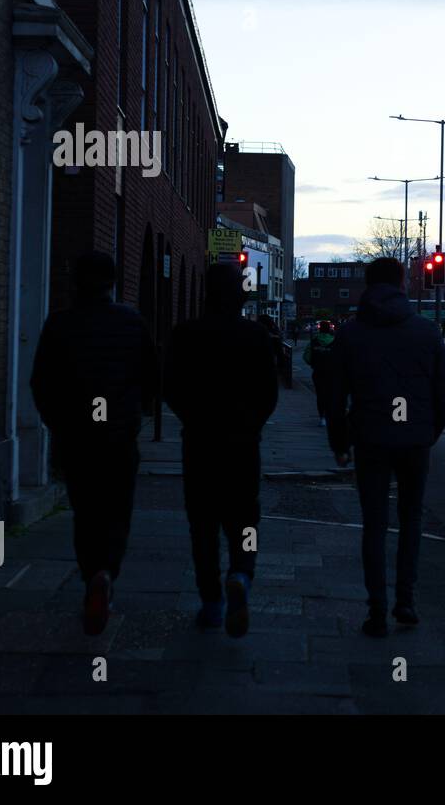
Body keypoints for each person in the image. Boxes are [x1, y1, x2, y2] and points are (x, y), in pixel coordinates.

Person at [322, 258, 445, 637]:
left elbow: (334, 394)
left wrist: (339, 441)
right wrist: (428, 432)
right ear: (402, 284)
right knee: (411, 520)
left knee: (374, 525)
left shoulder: (350, 334)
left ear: (367, 286)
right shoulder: (427, 333)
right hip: (414, 442)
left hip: (371, 439)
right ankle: (406, 601)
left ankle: (376, 610)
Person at [31, 251, 157, 635]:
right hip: (119, 438)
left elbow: (42, 383)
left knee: (85, 513)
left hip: (78, 438)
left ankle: (92, 574)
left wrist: (59, 424)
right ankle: (107, 572)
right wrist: (136, 413)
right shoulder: (131, 322)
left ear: (75, 282)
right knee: (117, 511)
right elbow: (151, 376)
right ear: (113, 282)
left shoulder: (59, 325)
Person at [165, 264, 278, 637]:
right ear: (240, 296)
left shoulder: (185, 335)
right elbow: (268, 394)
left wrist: (193, 418)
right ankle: (241, 574)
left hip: (199, 442)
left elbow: (171, 388)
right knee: (245, 519)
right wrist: (251, 425)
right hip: (243, 445)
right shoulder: (257, 336)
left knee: (203, 525)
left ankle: (211, 602)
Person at [303, 320, 337, 426]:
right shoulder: (335, 341)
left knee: (320, 394)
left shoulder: (314, 341)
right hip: (332, 373)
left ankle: (322, 417)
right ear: (330, 329)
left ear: (319, 329)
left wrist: (313, 363)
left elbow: (307, 357)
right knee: (332, 395)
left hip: (318, 372)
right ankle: (331, 415)